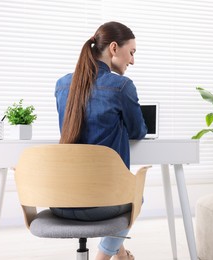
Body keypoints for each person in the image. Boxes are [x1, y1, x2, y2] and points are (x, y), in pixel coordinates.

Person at [54, 21, 147, 260]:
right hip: (100, 203)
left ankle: (120, 253)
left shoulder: (63, 85)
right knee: (136, 195)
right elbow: (138, 131)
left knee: (119, 192)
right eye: (132, 52)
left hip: (60, 200)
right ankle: (103, 257)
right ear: (114, 48)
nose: (133, 61)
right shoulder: (121, 86)